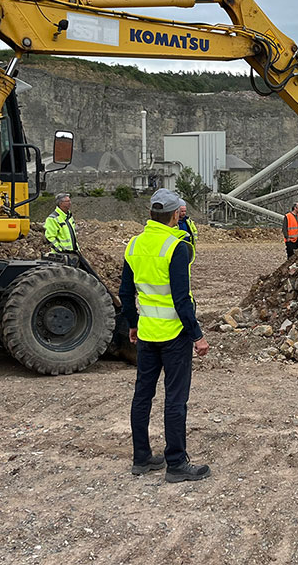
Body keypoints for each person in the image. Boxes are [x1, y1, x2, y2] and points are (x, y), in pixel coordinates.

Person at [119, 188, 211, 483]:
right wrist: (197, 335)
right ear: (175, 215)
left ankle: (141, 458)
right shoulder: (176, 246)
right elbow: (182, 299)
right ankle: (175, 463)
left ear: (150, 214)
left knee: (142, 396)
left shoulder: (134, 245)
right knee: (175, 399)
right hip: (174, 335)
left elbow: (125, 292)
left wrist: (133, 322)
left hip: (147, 334)